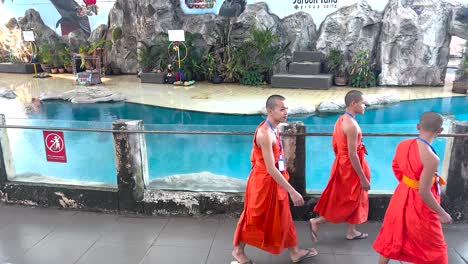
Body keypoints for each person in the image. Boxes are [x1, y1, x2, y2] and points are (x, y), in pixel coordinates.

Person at [232, 95, 318, 264]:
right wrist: (292, 191)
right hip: (264, 184)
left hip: (275, 182)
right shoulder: (265, 134)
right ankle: (238, 251)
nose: (286, 112)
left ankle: (294, 252)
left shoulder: (274, 128)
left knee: (284, 217)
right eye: (282, 109)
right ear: (270, 111)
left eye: (286, 108)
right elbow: (271, 168)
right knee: (255, 218)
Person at [373, 112, 452, 264]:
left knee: (392, 233)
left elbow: (396, 167)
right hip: (420, 204)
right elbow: (423, 191)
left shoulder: (403, 145)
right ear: (440, 131)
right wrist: (442, 213)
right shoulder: (431, 158)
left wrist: (408, 184)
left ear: (418, 126)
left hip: (401, 194)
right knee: (434, 246)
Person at [309, 90, 371, 241]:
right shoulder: (351, 125)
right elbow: (352, 154)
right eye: (363, 103)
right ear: (353, 103)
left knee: (355, 197)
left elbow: (337, 145)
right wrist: (362, 178)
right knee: (346, 200)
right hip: (350, 168)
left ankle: (352, 231)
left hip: (343, 164)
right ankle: (317, 221)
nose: (365, 106)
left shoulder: (342, 119)